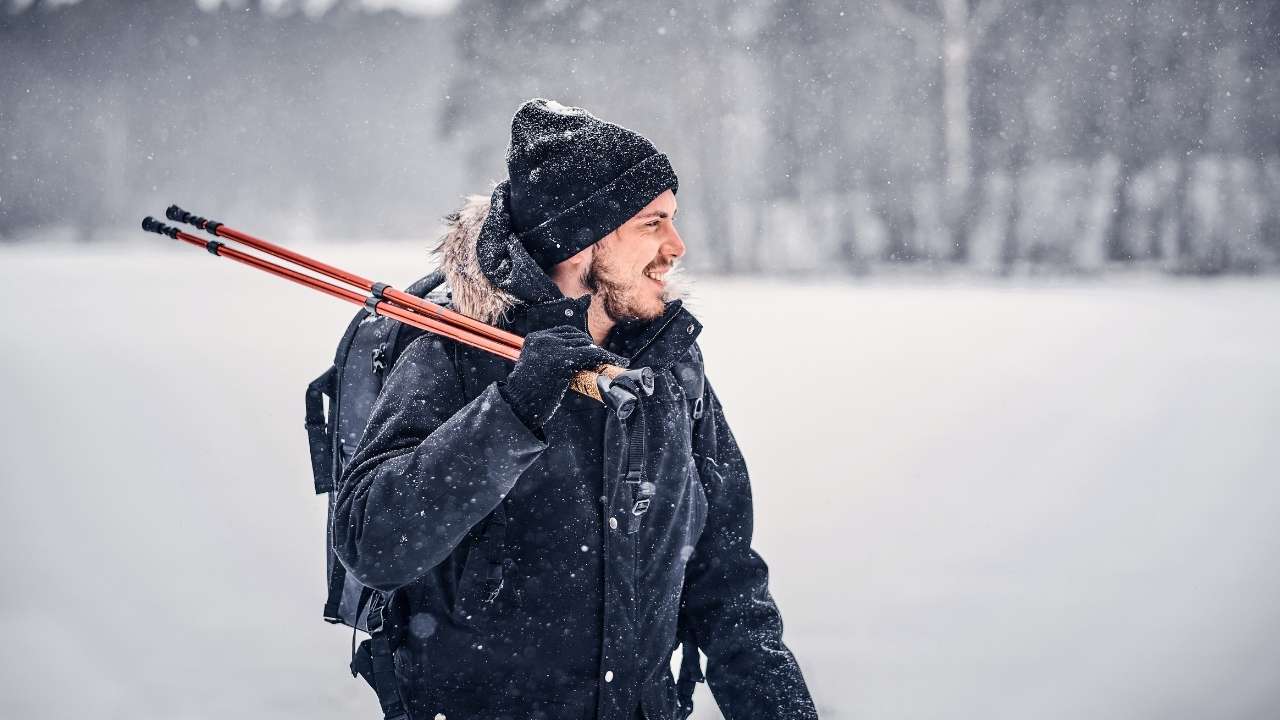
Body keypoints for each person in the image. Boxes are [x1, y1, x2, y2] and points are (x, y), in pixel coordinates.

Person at [333, 98, 817, 720]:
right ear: (579, 241)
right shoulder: (453, 356)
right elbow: (375, 543)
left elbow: (728, 586)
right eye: (652, 223)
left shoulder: (668, 367)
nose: (677, 246)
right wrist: (513, 410)